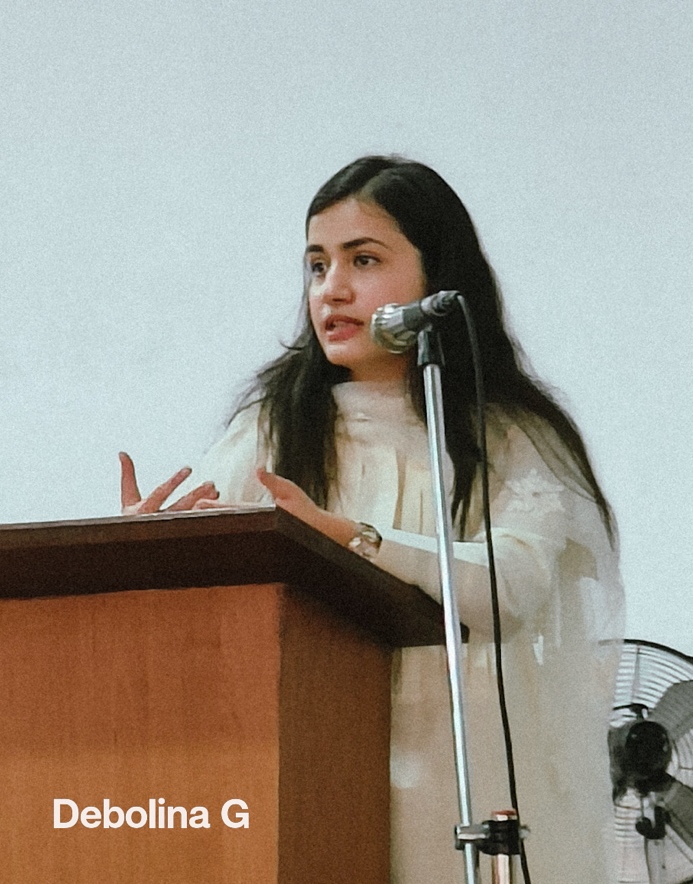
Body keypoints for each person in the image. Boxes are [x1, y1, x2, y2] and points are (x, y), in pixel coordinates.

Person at [119, 155, 624, 883]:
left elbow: (508, 586)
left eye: (364, 260)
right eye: (317, 265)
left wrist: (355, 539)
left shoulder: (509, 436)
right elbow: (211, 595)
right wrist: (143, 553)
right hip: (312, 769)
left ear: (438, 278)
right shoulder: (273, 432)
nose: (333, 289)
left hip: (462, 771)